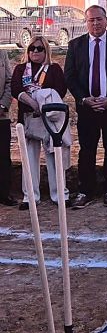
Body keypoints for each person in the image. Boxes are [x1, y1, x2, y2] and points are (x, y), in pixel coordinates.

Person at [64, 5, 107, 209]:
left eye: (99, 19)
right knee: (87, 150)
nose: (96, 23)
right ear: (86, 22)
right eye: (91, 20)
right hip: (87, 108)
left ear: (106, 20)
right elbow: (70, 76)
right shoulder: (75, 45)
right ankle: (85, 191)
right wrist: (84, 99)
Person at [11, 37, 71, 210]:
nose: (35, 51)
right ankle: (30, 196)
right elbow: (16, 89)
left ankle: (59, 194)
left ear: (46, 51)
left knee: (54, 156)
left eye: (39, 48)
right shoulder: (21, 69)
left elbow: (60, 90)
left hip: (49, 119)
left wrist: (42, 98)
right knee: (29, 158)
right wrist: (32, 102)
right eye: (32, 48)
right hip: (28, 117)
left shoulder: (54, 68)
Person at [0, 49, 13, 206]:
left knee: (3, 156)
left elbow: (10, 82)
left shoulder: (2, 55)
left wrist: (3, 105)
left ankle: (4, 193)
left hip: (1, 115)